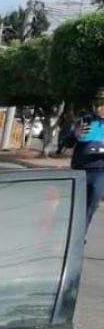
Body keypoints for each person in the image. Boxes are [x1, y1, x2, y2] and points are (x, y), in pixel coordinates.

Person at [71, 89, 104, 228]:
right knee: (73, 205)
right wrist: (75, 134)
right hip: (79, 169)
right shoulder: (84, 121)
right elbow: (66, 142)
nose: (98, 108)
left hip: (99, 171)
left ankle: (80, 234)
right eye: (96, 104)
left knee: (91, 205)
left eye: (102, 104)